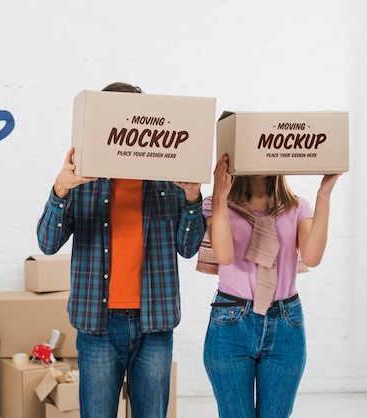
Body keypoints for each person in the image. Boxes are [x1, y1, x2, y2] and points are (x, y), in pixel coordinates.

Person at [36, 81, 207, 418]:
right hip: (98, 324)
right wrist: (60, 190)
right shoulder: (82, 181)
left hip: (153, 324)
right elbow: (47, 243)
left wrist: (191, 198)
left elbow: (188, 248)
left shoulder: (168, 180)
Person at [200, 152, 341, 418]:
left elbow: (311, 256)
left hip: (285, 324)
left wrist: (324, 195)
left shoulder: (299, 207)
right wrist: (220, 196)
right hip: (231, 324)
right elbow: (225, 256)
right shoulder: (215, 206)